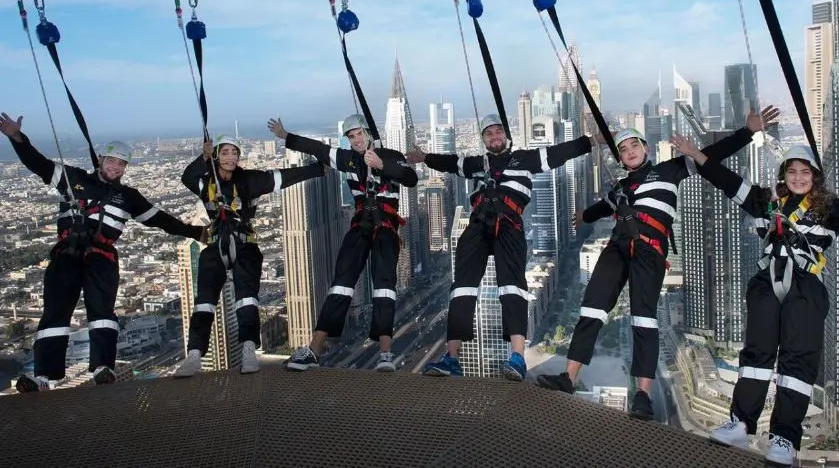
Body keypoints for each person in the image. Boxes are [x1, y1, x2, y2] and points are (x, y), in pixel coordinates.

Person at [536, 106, 778, 420]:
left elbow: (712, 155)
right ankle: (568, 377)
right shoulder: (621, 189)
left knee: (644, 320)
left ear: (645, 148)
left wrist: (748, 131)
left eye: (634, 145)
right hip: (617, 249)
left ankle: (643, 396)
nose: (629, 151)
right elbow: (601, 207)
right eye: (623, 150)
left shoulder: (669, 171)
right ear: (620, 160)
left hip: (649, 251)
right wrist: (583, 216)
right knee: (591, 308)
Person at [0, 112, 207, 392]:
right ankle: (44, 377)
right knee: (55, 313)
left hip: (102, 256)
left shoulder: (129, 197)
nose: (116, 167)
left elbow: (161, 220)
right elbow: (38, 164)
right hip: (67, 254)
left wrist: (197, 233)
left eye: (122, 164)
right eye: (112, 161)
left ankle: (103, 367)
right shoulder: (72, 178)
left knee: (102, 311)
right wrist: (17, 138)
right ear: (100, 159)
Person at [671, 133, 833, 467]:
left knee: (798, 361)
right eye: (792, 171)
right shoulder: (767, 202)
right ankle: (741, 423)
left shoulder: (829, 209)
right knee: (756, 354)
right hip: (767, 280)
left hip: (806, 285)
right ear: (784, 175)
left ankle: (784, 439)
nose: (798, 178)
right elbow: (729, 182)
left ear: (815, 177)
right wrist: (695, 155)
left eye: (805, 172)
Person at [406, 113, 601, 381]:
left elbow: (560, 152)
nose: (494, 136)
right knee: (461, 287)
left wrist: (593, 140)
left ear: (506, 136)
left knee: (512, 287)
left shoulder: (524, 159)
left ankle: (517, 358)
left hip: (509, 224)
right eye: (489, 133)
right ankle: (452, 358)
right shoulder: (476, 163)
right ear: (483, 139)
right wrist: (423, 157)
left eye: (498, 132)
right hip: (477, 224)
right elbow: (451, 163)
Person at [268, 114, 418, 371]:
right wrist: (286, 136)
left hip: (386, 225)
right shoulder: (347, 159)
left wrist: (381, 164)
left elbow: (410, 179)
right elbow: (317, 148)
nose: (356, 139)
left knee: (384, 284)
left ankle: (385, 354)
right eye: (351, 136)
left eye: (359, 134)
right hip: (360, 224)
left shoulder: (391, 155)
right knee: (341, 282)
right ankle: (314, 350)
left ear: (369, 134)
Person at [174, 134, 327, 378]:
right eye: (224, 152)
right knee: (204, 300)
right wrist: (202, 158)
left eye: (234, 153)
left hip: (244, 243)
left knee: (247, 298)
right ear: (216, 156)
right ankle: (194, 354)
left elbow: (282, 178)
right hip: (215, 244)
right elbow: (186, 178)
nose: (230, 157)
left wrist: (318, 169)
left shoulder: (249, 181)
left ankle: (248, 349)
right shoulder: (206, 181)